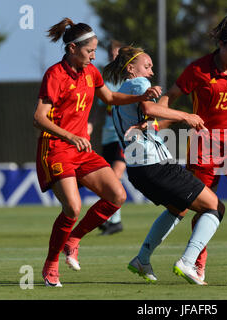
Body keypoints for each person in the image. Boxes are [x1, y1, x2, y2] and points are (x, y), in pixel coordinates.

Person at [33, 18, 161, 287]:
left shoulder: (91, 73)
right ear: (71, 49)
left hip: (81, 149)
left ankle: (74, 239)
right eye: (89, 50)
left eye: (94, 50)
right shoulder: (54, 75)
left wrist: (141, 97)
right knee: (73, 206)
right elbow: (39, 118)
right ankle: (51, 264)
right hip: (56, 148)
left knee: (117, 196)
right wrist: (70, 136)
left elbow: (111, 98)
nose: (94, 55)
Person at [103, 45, 225, 285]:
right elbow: (149, 108)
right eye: (146, 66)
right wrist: (186, 116)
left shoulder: (120, 96)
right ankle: (188, 262)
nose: (150, 72)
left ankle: (142, 259)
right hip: (155, 165)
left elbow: (148, 119)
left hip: (138, 170)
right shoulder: (138, 85)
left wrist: (154, 122)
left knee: (178, 209)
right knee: (215, 207)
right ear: (131, 69)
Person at [158, 15, 227, 281]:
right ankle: (197, 262)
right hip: (204, 143)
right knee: (205, 206)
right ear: (220, 44)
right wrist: (155, 122)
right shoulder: (198, 70)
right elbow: (170, 97)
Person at [98, 40, 125, 235]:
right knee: (108, 179)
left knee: (115, 177)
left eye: (116, 54)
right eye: (110, 53)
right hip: (107, 136)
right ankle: (112, 220)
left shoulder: (129, 79)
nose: (112, 57)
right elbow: (98, 107)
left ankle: (112, 219)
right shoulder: (105, 79)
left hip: (123, 136)